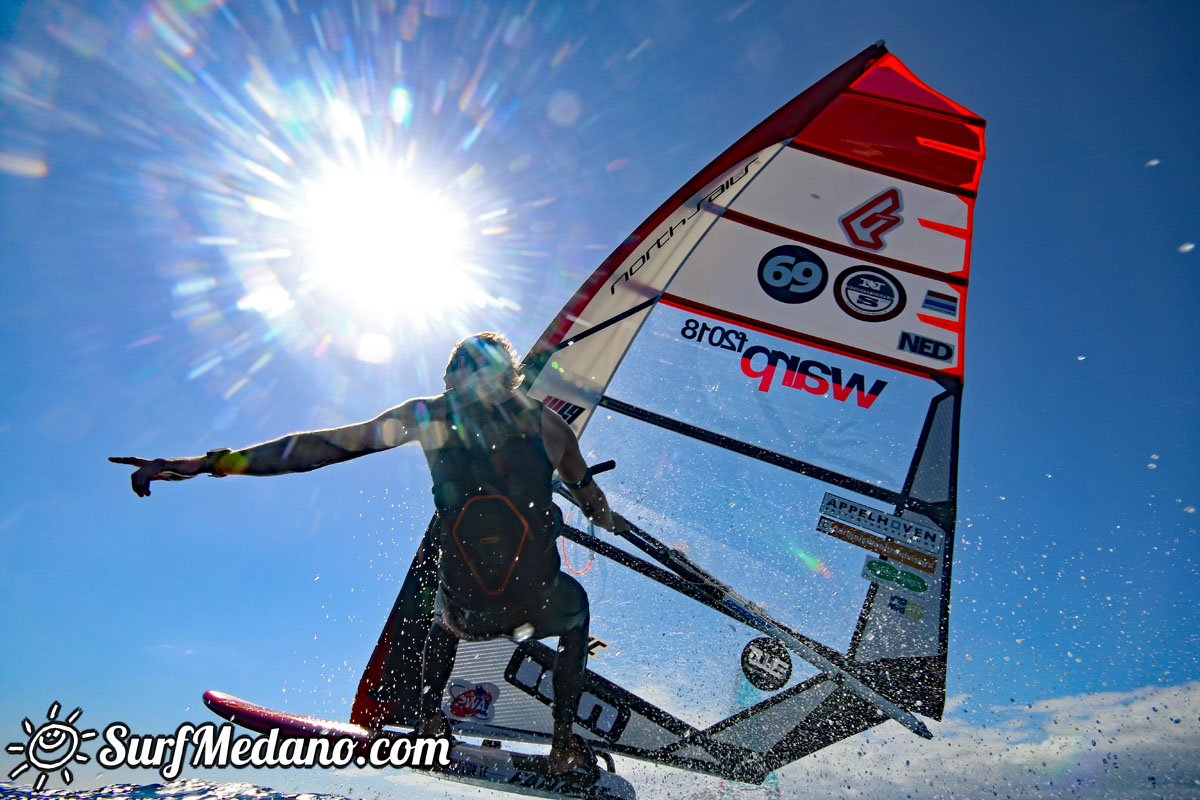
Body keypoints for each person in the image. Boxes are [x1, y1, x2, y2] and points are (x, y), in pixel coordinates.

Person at [111, 332, 627, 776]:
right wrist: (610, 519)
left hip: (467, 611)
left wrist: (205, 463)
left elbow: (316, 448)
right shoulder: (551, 428)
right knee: (576, 612)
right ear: (512, 377)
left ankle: (429, 720)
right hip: (539, 603)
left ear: (452, 377)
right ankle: (563, 742)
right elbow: (592, 500)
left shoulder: (427, 416)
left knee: (442, 615)